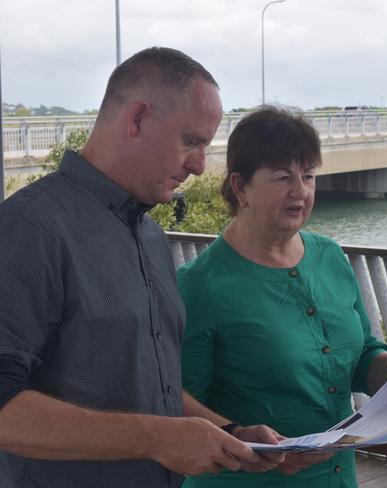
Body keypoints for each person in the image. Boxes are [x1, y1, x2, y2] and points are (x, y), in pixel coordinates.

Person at [0, 47, 283, 488]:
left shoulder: (151, 237)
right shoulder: (28, 227)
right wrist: (156, 438)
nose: (199, 166)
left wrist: (227, 435)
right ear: (136, 119)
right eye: (191, 141)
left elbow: (151, 388)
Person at [177, 106, 387, 488]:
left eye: (309, 176)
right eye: (283, 177)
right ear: (239, 187)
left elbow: (360, 354)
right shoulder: (201, 284)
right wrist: (238, 436)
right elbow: (174, 399)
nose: (300, 191)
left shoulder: (329, 255)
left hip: (338, 477)